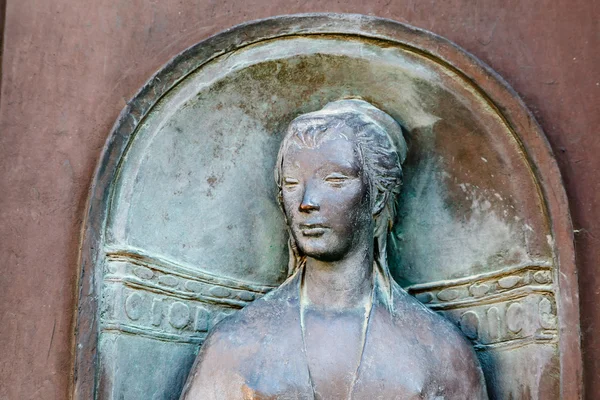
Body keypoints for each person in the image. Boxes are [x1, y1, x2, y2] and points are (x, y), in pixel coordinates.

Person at [180, 99, 488, 399]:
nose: (307, 201)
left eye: (334, 180)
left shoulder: (440, 349)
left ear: (377, 194)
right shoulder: (234, 343)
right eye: (291, 184)